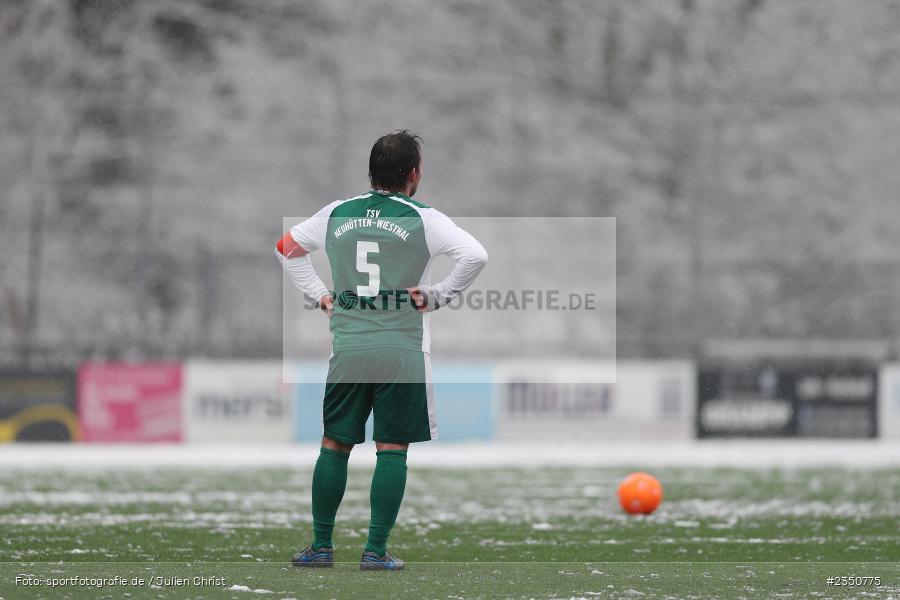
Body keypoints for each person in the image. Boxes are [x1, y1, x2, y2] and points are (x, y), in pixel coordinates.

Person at [276, 130, 488, 570]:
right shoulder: (424, 218)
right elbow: (475, 255)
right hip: (402, 348)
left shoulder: (336, 213)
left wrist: (321, 296)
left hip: (350, 346)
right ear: (414, 174)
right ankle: (374, 552)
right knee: (392, 448)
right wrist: (438, 294)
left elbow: (286, 249)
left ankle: (320, 547)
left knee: (334, 445)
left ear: (371, 172)